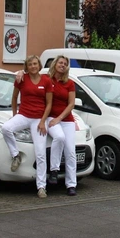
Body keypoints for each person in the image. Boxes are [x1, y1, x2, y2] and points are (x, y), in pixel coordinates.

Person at [2, 55, 53, 198]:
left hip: (39, 119)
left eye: (35, 64)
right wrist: (14, 115)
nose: (33, 66)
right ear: (27, 66)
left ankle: (41, 187)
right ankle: (15, 155)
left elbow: (49, 103)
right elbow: (14, 97)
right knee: (6, 128)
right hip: (24, 115)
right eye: (30, 64)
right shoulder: (21, 79)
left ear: (39, 65)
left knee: (41, 153)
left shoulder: (46, 81)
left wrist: (43, 121)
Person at [46, 55, 78, 196]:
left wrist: (59, 118)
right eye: (60, 62)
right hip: (50, 118)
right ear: (55, 64)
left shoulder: (69, 83)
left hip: (66, 119)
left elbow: (71, 104)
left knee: (71, 152)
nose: (62, 65)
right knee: (59, 137)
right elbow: (30, 76)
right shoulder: (47, 79)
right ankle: (54, 170)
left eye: (65, 63)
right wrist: (22, 73)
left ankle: (71, 185)